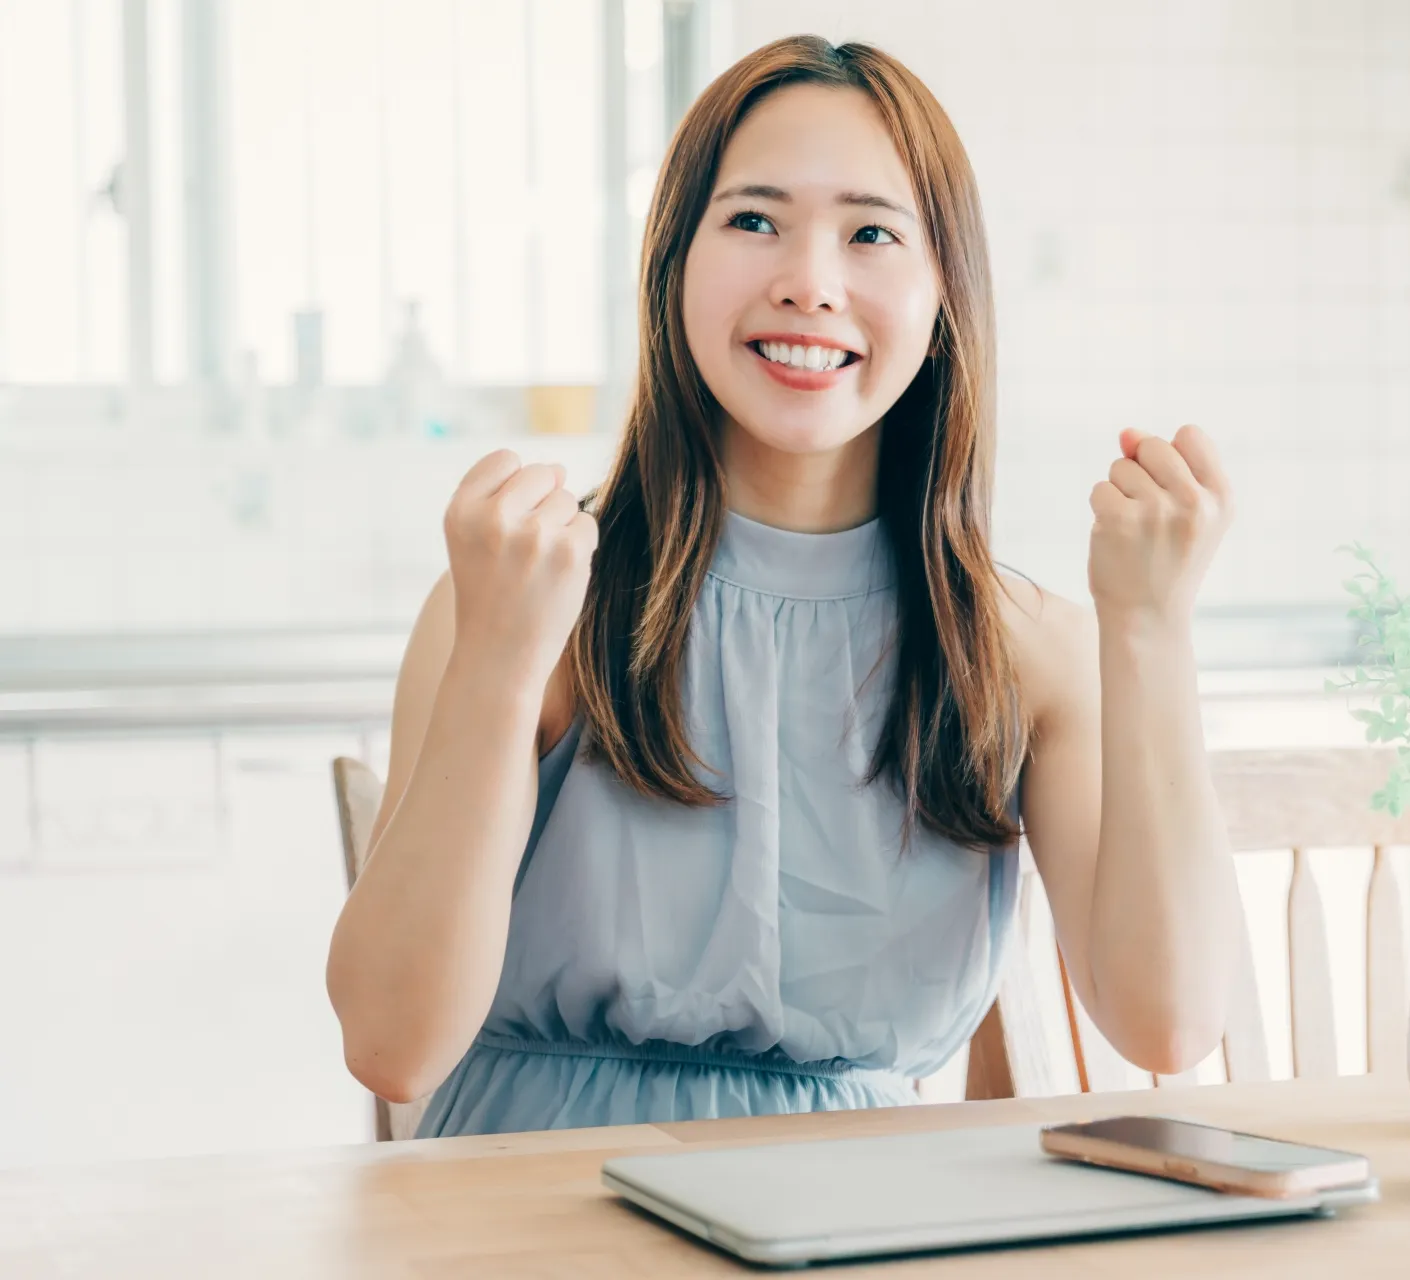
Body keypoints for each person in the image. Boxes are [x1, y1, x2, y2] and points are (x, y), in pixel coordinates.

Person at [325, 34, 1242, 1137]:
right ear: (673, 263)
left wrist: (1149, 631)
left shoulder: (1024, 651)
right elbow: (391, 1046)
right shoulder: (531, 594)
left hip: (870, 1216)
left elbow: (1169, 1022)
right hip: (537, 1201)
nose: (810, 282)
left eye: (870, 233)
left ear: (945, 291)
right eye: (754, 219)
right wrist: (498, 660)